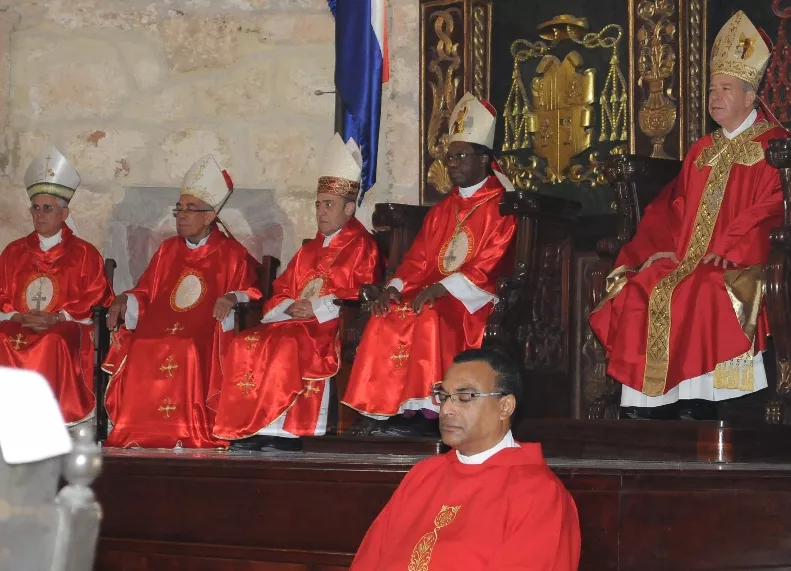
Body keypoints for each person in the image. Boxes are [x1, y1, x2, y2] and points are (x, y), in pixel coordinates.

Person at [589, 11, 789, 420]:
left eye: (726, 88)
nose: (715, 96)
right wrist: (656, 250)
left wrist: (731, 249)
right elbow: (671, 207)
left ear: (751, 97)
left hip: (747, 261)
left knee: (705, 286)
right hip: (689, 259)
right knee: (644, 284)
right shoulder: (701, 151)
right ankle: (650, 400)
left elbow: (773, 207)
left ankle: (717, 398)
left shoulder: (775, 145)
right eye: (713, 88)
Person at [342, 92, 517, 436]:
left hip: (474, 300)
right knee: (384, 315)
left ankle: (428, 414)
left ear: (484, 159)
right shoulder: (442, 209)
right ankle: (389, 410)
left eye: (460, 156)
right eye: (448, 157)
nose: (451, 163)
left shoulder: (502, 205)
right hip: (432, 292)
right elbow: (418, 258)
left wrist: (443, 286)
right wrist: (392, 289)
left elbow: (493, 261)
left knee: (429, 317)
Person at [212, 135, 380, 451]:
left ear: (348, 208)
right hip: (294, 322)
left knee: (286, 344)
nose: (320, 211)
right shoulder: (308, 250)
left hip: (328, 326)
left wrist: (315, 308)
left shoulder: (363, 246)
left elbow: (363, 293)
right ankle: (254, 425)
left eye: (328, 204)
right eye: (318, 204)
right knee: (245, 342)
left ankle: (288, 430)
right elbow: (280, 289)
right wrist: (289, 307)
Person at [349, 348, 580, 570]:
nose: (447, 409)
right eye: (444, 396)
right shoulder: (423, 475)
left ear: (505, 406)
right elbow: (370, 559)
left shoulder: (539, 494)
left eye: (465, 397)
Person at [103, 155, 261, 448]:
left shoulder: (231, 253)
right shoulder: (168, 249)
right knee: (139, 345)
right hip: (160, 325)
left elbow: (253, 292)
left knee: (186, 347)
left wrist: (231, 296)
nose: (182, 215)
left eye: (190, 209)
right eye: (179, 209)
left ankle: (190, 428)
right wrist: (125, 298)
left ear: (210, 215)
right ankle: (139, 429)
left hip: (202, 331)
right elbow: (146, 290)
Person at [0, 146, 113, 426]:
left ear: (64, 213)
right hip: (20, 322)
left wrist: (57, 317)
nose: (40, 215)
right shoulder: (14, 252)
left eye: (48, 208)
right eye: (35, 208)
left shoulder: (85, 253)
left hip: (64, 325)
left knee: (53, 340)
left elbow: (97, 296)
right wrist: (16, 316)